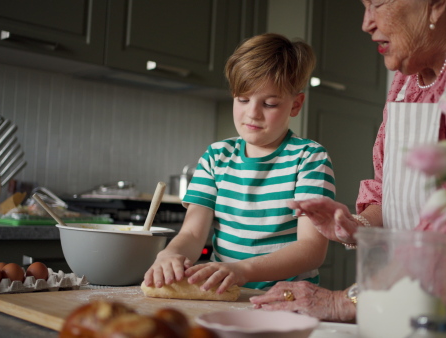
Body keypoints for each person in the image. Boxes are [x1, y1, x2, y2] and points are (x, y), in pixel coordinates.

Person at [250, 0, 446, 322]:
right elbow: (392, 191)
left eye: (378, 3)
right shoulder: (408, 76)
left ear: (437, 4)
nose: (366, 23)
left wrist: (346, 301)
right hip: (413, 309)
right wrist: (359, 225)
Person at [143, 33, 336, 294]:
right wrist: (171, 254)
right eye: (243, 99)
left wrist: (243, 270)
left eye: (269, 103)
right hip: (224, 294)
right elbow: (191, 234)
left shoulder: (309, 158)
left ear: (296, 104)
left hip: (289, 299)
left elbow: (311, 249)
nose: (252, 113)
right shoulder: (215, 156)